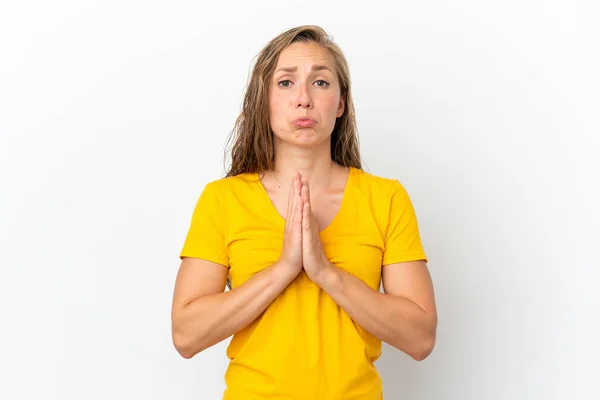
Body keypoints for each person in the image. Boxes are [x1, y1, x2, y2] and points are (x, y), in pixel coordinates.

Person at [171, 25, 437, 400]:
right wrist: (283, 268)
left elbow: (420, 337)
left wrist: (325, 272)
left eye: (321, 83)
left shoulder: (385, 198)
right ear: (263, 100)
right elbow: (186, 335)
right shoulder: (223, 200)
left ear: (341, 103)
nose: (303, 99)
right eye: (285, 82)